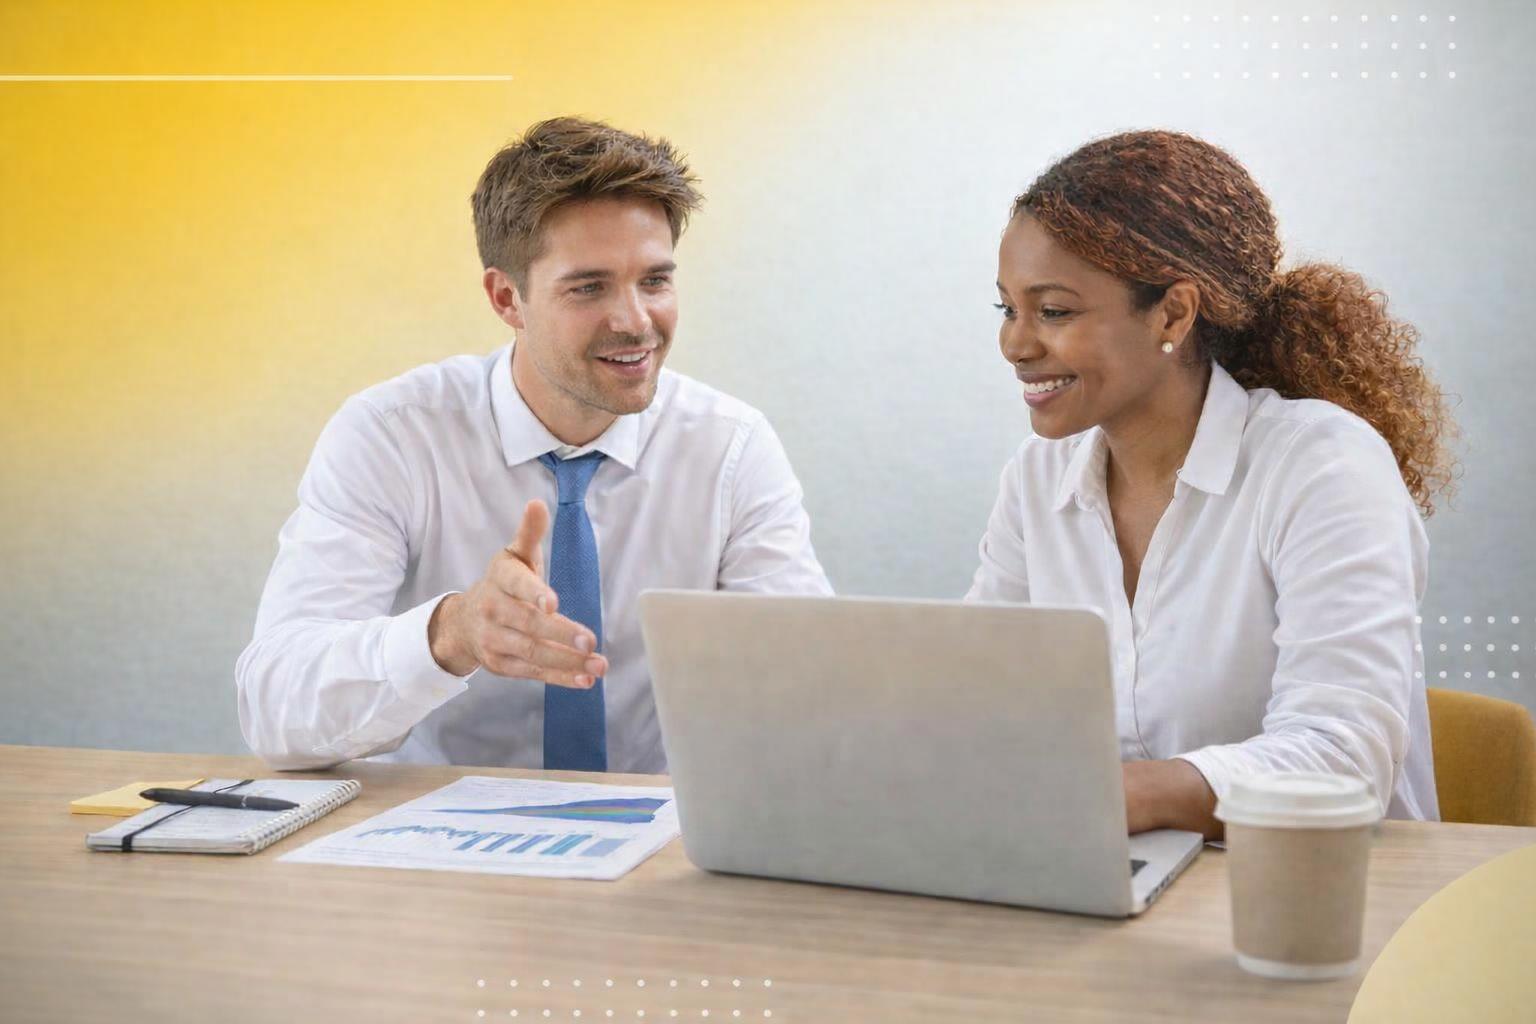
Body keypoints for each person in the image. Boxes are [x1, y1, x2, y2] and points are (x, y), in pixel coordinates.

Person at [236, 117, 831, 773]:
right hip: (437, 845)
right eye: (588, 287)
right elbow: (275, 712)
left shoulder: (731, 449)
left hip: (661, 846)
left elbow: (807, 689)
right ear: (506, 298)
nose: (636, 321)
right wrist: (450, 635)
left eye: (655, 281)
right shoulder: (393, 435)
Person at [967, 130, 1455, 839]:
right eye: (1007, 308)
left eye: (1055, 311)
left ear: (1172, 313)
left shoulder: (1321, 463)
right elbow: (982, 706)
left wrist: (1120, 795)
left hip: (1338, 908)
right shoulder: (1038, 480)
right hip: (1120, 888)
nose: (1016, 344)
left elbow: (1341, 758)